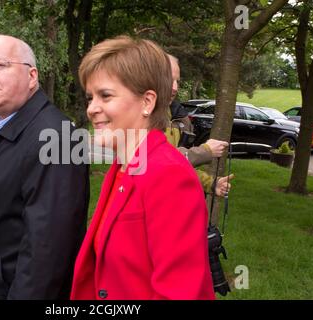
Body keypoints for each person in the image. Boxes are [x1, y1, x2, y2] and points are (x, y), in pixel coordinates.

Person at [70, 36, 215, 300]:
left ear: (147, 102)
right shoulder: (123, 166)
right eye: (90, 97)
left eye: (105, 95)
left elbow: (181, 293)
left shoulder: (169, 174)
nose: (92, 108)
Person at [0, 35, 89, 300]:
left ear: (32, 76)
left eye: (0, 65)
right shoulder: (6, 126)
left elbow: (48, 254)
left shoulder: (59, 137)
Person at [166, 54, 233, 197]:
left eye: (177, 81)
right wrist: (206, 151)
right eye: (168, 80)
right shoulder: (139, 117)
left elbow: (179, 167)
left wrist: (210, 183)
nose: (175, 88)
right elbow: (163, 164)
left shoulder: (177, 116)